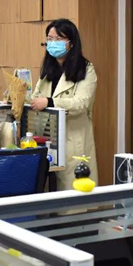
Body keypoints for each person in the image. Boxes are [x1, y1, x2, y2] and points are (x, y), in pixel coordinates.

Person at [30, 19, 98, 190]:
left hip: (72, 139)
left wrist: (50, 102)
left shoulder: (86, 69)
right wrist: (16, 99)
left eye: (58, 39)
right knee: (47, 189)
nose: (53, 43)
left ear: (71, 43)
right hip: (47, 136)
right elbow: (35, 97)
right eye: (49, 39)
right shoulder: (48, 69)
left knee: (72, 189)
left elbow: (81, 103)